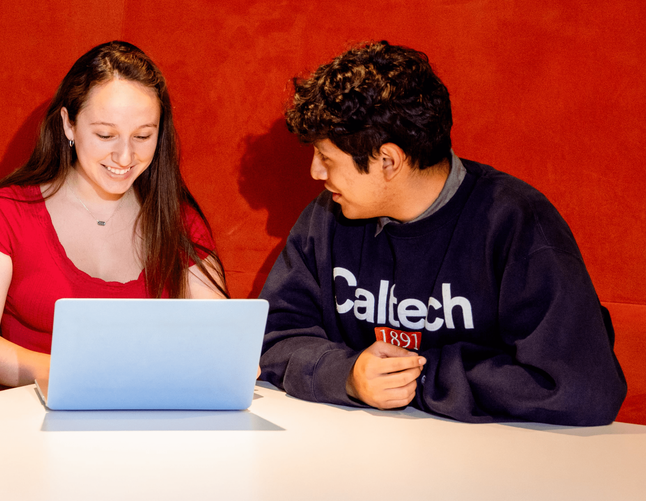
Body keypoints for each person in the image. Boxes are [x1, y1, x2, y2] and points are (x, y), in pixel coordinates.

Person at [258, 41, 626, 425]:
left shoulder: (517, 222)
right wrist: (348, 376)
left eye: (327, 158)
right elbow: (273, 339)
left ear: (388, 160)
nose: (316, 173)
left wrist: (414, 379)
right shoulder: (326, 218)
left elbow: (581, 387)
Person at [0, 41, 227, 387]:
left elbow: (220, 338)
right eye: (105, 135)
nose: (125, 157)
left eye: (143, 136)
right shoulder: (7, 213)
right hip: (33, 422)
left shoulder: (177, 219)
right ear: (68, 124)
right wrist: (61, 373)